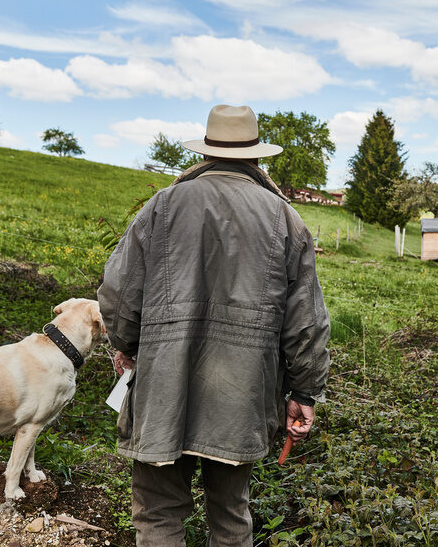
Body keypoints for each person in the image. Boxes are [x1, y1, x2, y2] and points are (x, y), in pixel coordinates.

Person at [98, 104, 330, 547]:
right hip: (242, 395)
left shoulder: (162, 205)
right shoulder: (286, 219)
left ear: (206, 152)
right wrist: (304, 393)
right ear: (257, 157)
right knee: (230, 513)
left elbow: (119, 292)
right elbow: (307, 323)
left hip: (164, 384)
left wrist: (126, 346)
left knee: (158, 511)